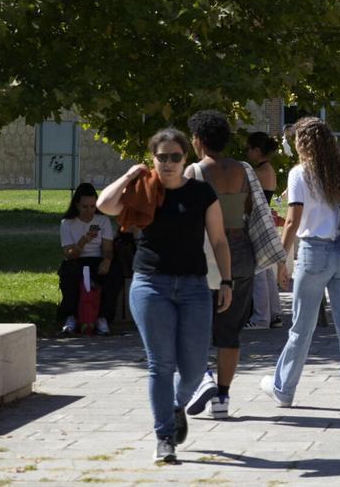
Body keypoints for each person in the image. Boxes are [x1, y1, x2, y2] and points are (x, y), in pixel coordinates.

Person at [97, 128, 233, 465]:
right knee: (161, 364)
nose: (169, 163)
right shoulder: (143, 188)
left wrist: (227, 281)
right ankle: (164, 438)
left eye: (175, 157)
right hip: (150, 286)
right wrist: (131, 173)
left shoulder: (202, 193)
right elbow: (104, 205)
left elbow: (218, 240)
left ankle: (176, 406)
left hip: (194, 287)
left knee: (195, 367)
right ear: (153, 159)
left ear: (185, 158)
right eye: (162, 157)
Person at [259, 116, 340, 415]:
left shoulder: (299, 174)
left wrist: (282, 260)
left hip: (313, 253)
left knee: (301, 327)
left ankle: (284, 389)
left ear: (304, 143)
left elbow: (294, 220)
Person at [182, 111, 257, 420]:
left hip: (207, 256)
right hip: (241, 254)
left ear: (198, 140)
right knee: (230, 331)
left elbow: (185, 215)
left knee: (194, 327)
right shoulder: (243, 170)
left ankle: (204, 379)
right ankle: (223, 398)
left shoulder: (195, 171)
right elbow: (251, 208)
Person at [57, 182, 122, 336]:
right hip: (77, 260)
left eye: (93, 206)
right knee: (68, 273)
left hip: (97, 259)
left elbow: (107, 248)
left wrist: (106, 261)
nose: (89, 211)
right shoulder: (67, 223)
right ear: (77, 205)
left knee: (114, 273)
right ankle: (71, 316)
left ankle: (103, 318)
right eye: (85, 207)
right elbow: (69, 254)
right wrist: (84, 241)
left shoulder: (102, 221)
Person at [246, 131, 284, 329]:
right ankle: (274, 313)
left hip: (257, 221)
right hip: (267, 218)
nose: (247, 153)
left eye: (249, 149)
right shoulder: (270, 170)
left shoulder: (256, 173)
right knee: (267, 269)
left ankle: (261, 317)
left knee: (258, 271)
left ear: (257, 151)